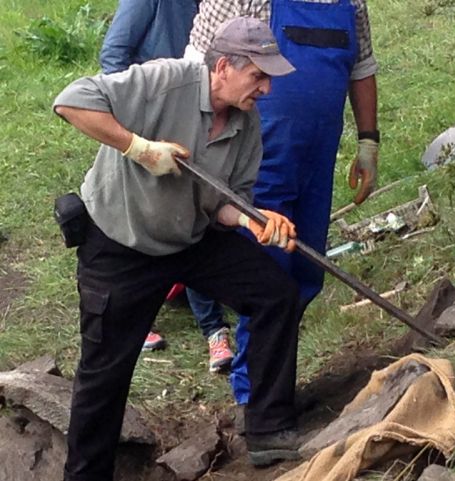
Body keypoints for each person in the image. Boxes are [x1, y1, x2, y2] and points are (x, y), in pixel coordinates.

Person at [54, 17, 308, 480]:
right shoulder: (164, 80)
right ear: (224, 66)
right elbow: (70, 102)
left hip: (190, 238)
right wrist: (140, 149)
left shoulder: (246, 125)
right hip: (120, 239)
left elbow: (224, 206)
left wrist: (254, 221)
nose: (267, 89)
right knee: (104, 374)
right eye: (258, 75)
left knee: (276, 294)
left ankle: (269, 430)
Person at [181, 0, 379, 401]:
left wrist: (368, 141)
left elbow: (362, 67)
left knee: (306, 272)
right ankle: (254, 396)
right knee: (268, 275)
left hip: (317, 157)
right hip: (258, 159)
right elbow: (196, 66)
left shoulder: (351, 3)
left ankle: (276, 382)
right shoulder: (243, 2)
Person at [100, 0, 238, 368]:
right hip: (155, 125)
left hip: (202, 118)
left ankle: (213, 329)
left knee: (197, 218)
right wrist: (135, 132)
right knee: (142, 224)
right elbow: (113, 56)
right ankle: (135, 318)